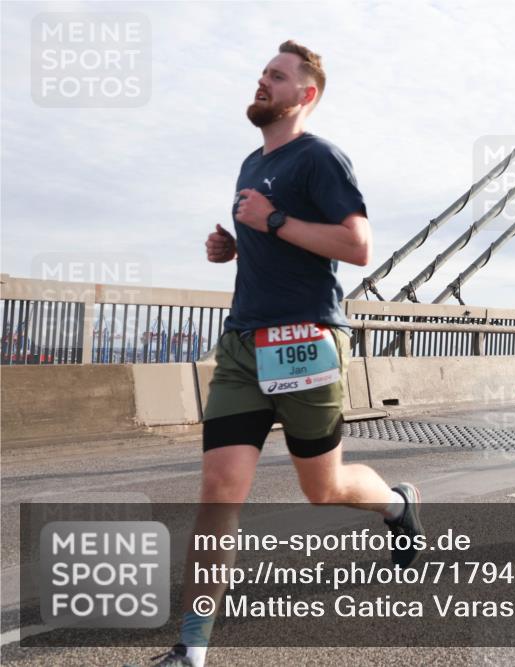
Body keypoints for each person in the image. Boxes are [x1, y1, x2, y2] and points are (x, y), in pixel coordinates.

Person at [145, 41, 423, 667]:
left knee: (322, 491)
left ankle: (398, 506)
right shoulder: (250, 162)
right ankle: (191, 647)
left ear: (306, 95)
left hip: (306, 343)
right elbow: (279, 240)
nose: (263, 81)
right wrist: (234, 246)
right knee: (220, 489)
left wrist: (271, 222)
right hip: (244, 346)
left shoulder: (320, 157)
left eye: (278, 75)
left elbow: (356, 247)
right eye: (263, 72)